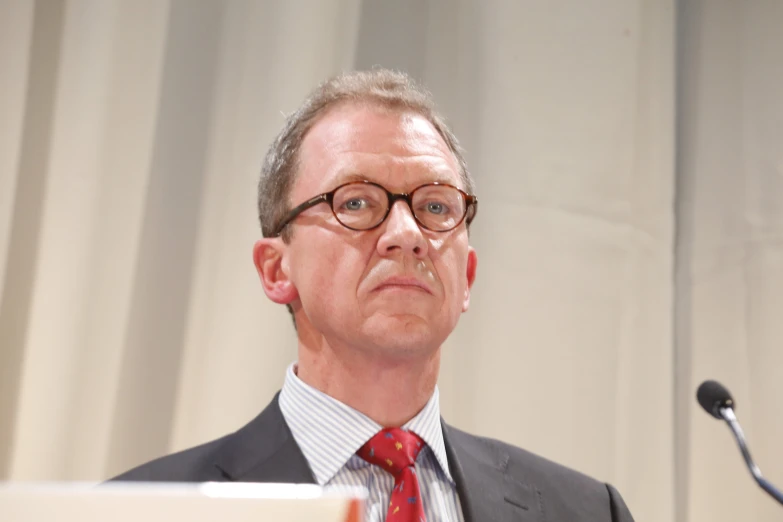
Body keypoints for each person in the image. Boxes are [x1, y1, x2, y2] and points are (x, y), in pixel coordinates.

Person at [114, 69, 635, 522]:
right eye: (357, 202)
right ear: (276, 269)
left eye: (435, 208)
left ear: (467, 278)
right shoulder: (139, 511)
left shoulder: (586, 511)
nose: (407, 233)